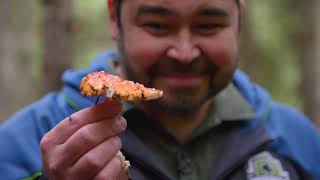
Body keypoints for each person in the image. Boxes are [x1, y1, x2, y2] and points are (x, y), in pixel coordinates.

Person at [0, 0, 319, 179]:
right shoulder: (20, 147)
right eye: (157, 25)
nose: (184, 52)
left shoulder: (300, 143)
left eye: (208, 25)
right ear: (114, 18)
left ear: (239, 20)